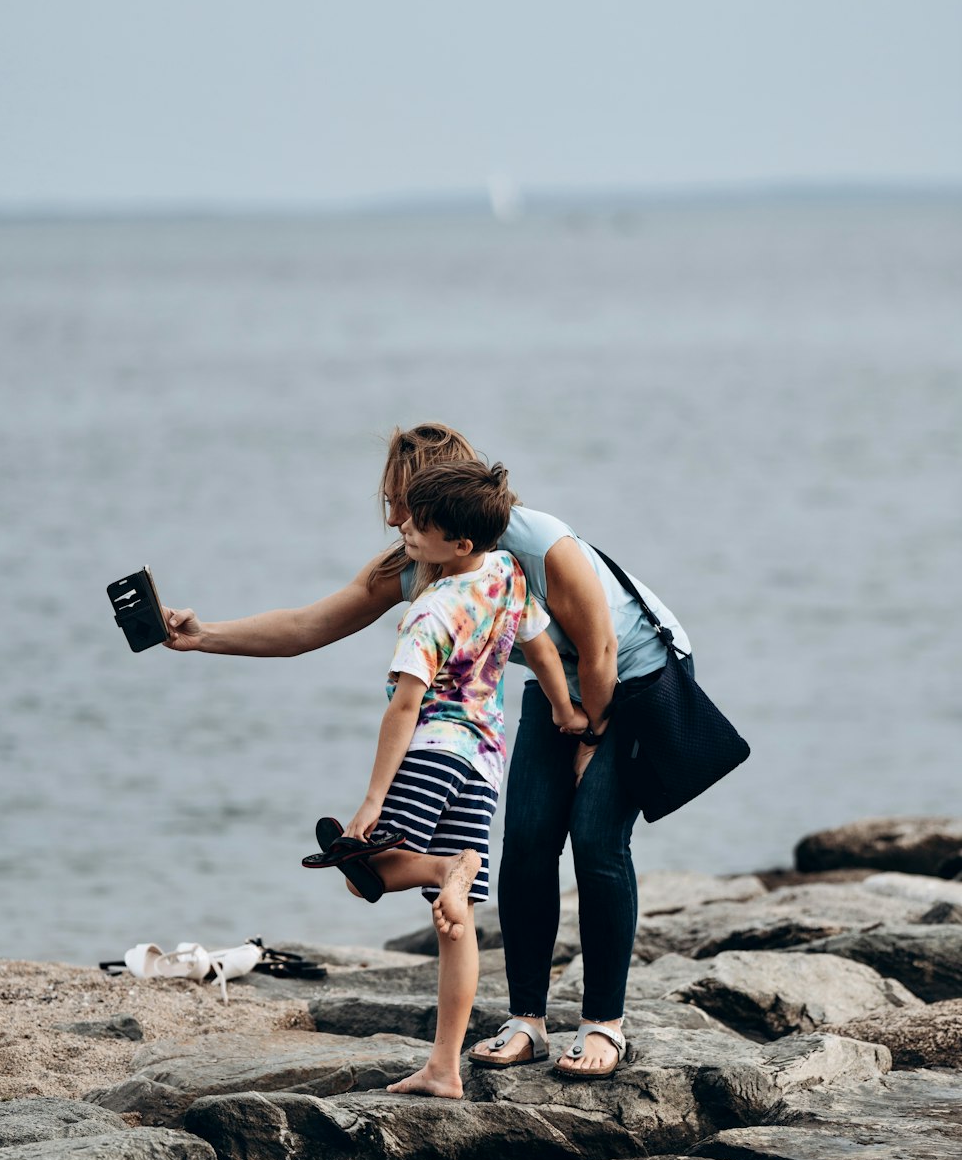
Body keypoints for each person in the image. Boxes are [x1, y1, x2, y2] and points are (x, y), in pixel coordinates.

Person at [163, 420, 692, 1079]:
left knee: (594, 837)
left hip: (635, 681)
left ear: (445, 504)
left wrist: (589, 733)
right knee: (526, 839)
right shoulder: (421, 561)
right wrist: (202, 634)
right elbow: (309, 625)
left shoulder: (537, 542)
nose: (390, 517)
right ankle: (527, 1021)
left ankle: (604, 1028)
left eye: (399, 501)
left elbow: (603, 647)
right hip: (559, 686)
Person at [301, 458, 585, 1098]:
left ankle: (439, 870)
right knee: (453, 923)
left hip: (431, 751)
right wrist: (567, 712)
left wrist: (372, 800)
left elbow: (402, 706)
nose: (404, 532)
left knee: (364, 874)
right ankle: (445, 1067)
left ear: (458, 543)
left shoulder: (432, 611)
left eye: (419, 528)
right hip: (485, 762)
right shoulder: (507, 572)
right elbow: (539, 650)